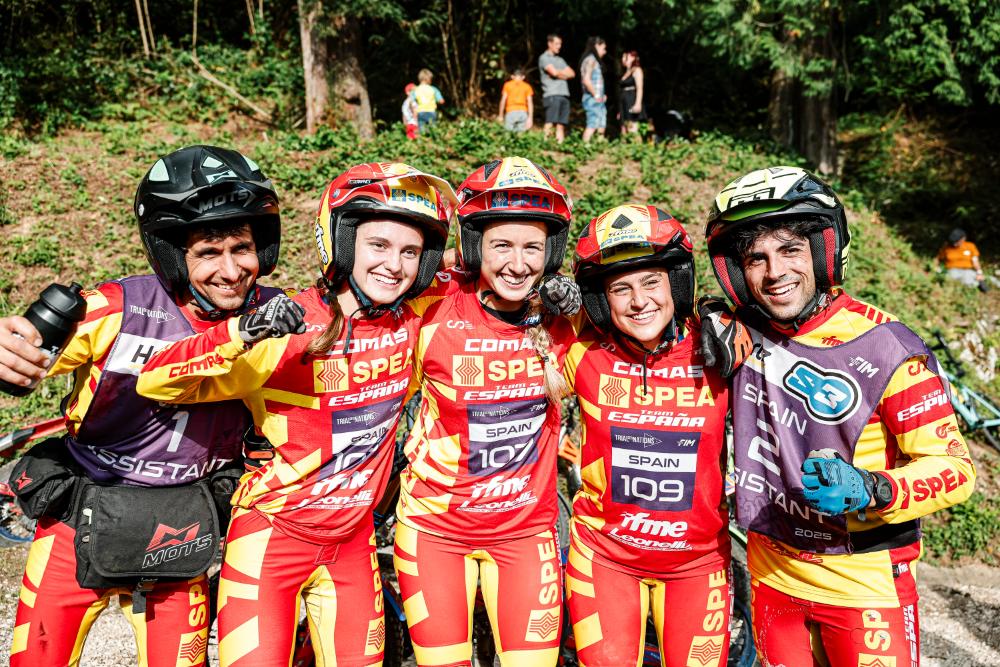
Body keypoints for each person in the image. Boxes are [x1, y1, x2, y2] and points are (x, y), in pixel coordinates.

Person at [136, 162, 457, 666]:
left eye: (411, 252)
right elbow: (155, 381)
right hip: (270, 540)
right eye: (378, 245)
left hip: (353, 544)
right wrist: (239, 332)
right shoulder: (288, 324)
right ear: (342, 243)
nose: (394, 266)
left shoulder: (416, 319)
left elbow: (489, 269)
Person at [0, 145, 284, 667]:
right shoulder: (115, 309)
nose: (231, 270)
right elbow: (24, 348)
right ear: (172, 254)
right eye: (208, 252)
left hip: (181, 534)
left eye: (242, 248)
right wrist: (7, 348)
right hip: (77, 523)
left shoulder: (277, 316)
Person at [701, 166, 976, 666]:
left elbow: (956, 470)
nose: (774, 272)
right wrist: (706, 312)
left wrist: (873, 488)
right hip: (773, 577)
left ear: (823, 251)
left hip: (864, 585)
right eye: (756, 259)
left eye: (790, 251)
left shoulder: (886, 345)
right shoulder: (736, 333)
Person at [393, 156, 581, 666]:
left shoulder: (565, 316)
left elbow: (652, 312)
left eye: (532, 247)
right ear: (475, 245)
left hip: (525, 534)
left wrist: (715, 313)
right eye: (501, 245)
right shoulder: (435, 301)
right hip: (434, 531)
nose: (518, 264)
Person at [564, 204, 732, 666]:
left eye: (651, 282)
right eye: (621, 289)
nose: (639, 301)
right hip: (605, 560)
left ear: (676, 283)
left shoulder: (719, 347)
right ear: (602, 300)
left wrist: (723, 311)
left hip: (698, 564)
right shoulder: (581, 352)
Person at [539, 34, 575, 144]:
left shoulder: (560, 59)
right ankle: (545, 145)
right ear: (549, 44)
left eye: (560, 44)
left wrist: (559, 73)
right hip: (552, 95)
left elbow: (572, 74)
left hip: (564, 94)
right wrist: (563, 73)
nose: (559, 46)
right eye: (556, 44)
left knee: (561, 124)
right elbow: (553, 73)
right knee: (550, 121)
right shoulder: (544, 58)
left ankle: (560, 145)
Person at [579, 36, 608, 143]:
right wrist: (596, 95)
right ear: (596, 46)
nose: (604, 52)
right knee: (592, 124)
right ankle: (585, 147)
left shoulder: (594, 60)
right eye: (603, 48)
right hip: (592, 98)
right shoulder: (590, 60)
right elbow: (586, 80)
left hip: (597, 98)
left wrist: (601, 95)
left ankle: (599, 147)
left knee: (601, 125)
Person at [497, 67, 534, 133]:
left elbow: (503, 100)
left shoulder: (507, 85)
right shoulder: (527, 86)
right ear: (523, 77)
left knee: (508, 134)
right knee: (521, 135)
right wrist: (530, 118)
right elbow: (530, 103)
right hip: (523, 112)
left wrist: (500, 115)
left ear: (512, 76)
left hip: (510, 111)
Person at [619, 50, 646, 136]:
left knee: (632, 128)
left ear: (633, 58)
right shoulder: (626, 72)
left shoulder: (637, 70)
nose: (623, 59)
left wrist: (638, 103)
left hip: (631, 99)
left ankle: (637, 144)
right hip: (623, 101)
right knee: (623, 128)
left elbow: (639, 88)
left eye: (625, 57)